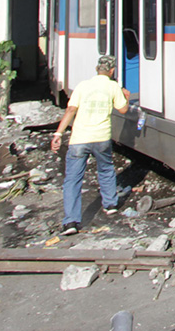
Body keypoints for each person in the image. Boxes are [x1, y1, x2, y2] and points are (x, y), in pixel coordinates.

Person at [51, 55, 130, 235]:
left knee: (72, 180)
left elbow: (71, 110)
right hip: (101, 138)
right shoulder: (113, 86)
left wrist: (58, 134)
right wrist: (126, 97)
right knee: (106, 169)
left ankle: (71, 222)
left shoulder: (82, 86)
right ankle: (110, 204)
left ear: (96, 69)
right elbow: (123, 109)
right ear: (111, 71)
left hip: (79, 139)